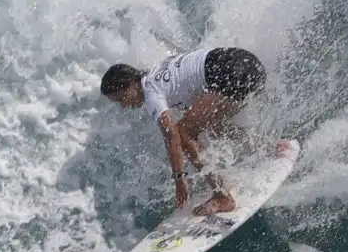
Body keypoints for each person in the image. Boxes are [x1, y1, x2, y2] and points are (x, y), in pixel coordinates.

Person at [100, 47, 273, 216]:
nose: (123, 106)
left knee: (184, 133)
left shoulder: (150, 90)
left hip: (230, 73)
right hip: (247, 64)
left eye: (121, 98)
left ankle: (223, 197)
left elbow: (171, 134)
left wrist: (179, 177)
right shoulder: (155, 71)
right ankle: (266, 147)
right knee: (212, 127)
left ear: (131, 84)